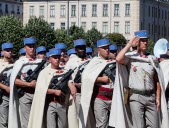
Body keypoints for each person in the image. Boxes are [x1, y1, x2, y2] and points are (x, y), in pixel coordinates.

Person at [109, 30, 168, 128]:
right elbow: (118, 59)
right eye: (142, 40)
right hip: (136, 96)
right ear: (137, 42)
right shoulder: (130, 57)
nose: (145, 43)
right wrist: (129, 44)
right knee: (138, 126)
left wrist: (157, 97)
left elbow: (157, 79)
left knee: (154, 125)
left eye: (146, 40)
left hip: (150, 97)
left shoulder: (152, 59)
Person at [28, 48, 69, 128]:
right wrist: (54, 91)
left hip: (62, 103)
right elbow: (40, 89)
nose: (57, 60)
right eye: (54, 57)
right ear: (49, 59)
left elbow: (69, 84)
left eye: (58, 57)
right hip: (50, 103)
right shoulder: (44, 72)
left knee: (63, 126)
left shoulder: (65, 71)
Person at [8, 37, 44, 128]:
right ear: (25, 48)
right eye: (29, 46)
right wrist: (28, 84)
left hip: (38, 94)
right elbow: (15, 80)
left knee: (39, 120)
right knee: (26, 123)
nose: (32, 48)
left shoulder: (41, 62)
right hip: (25, 94)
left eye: (33, 46)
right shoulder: (20, 62)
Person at [80, 38, 115, 128]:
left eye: (108, 48)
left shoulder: (114, 61)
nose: (107, 50)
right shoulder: (95, 62)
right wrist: (100, 79)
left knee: (115, 124)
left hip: (114, 97)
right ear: (98, 49)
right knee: (101, 125)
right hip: (100, 97)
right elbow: (86, 77)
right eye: (104, 48)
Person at [65, 39, 90, 128]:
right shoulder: (71, 62)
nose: (82, 50)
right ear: (76, 50)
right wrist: (71, 84)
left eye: (83, 48)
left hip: (89, 92)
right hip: (77, 92)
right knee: (78, 118)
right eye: (80, 48)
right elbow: (65, 76)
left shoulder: (90, 61)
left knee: (89, 118)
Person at [0, 42, 14, 128]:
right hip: (3, 96)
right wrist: (5, 87)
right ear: (2, 52)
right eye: (7, 50)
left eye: (11, 50)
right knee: (4, 121)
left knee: (13, 120)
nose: (9, 52)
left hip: (15, 96)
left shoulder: (16, 64)